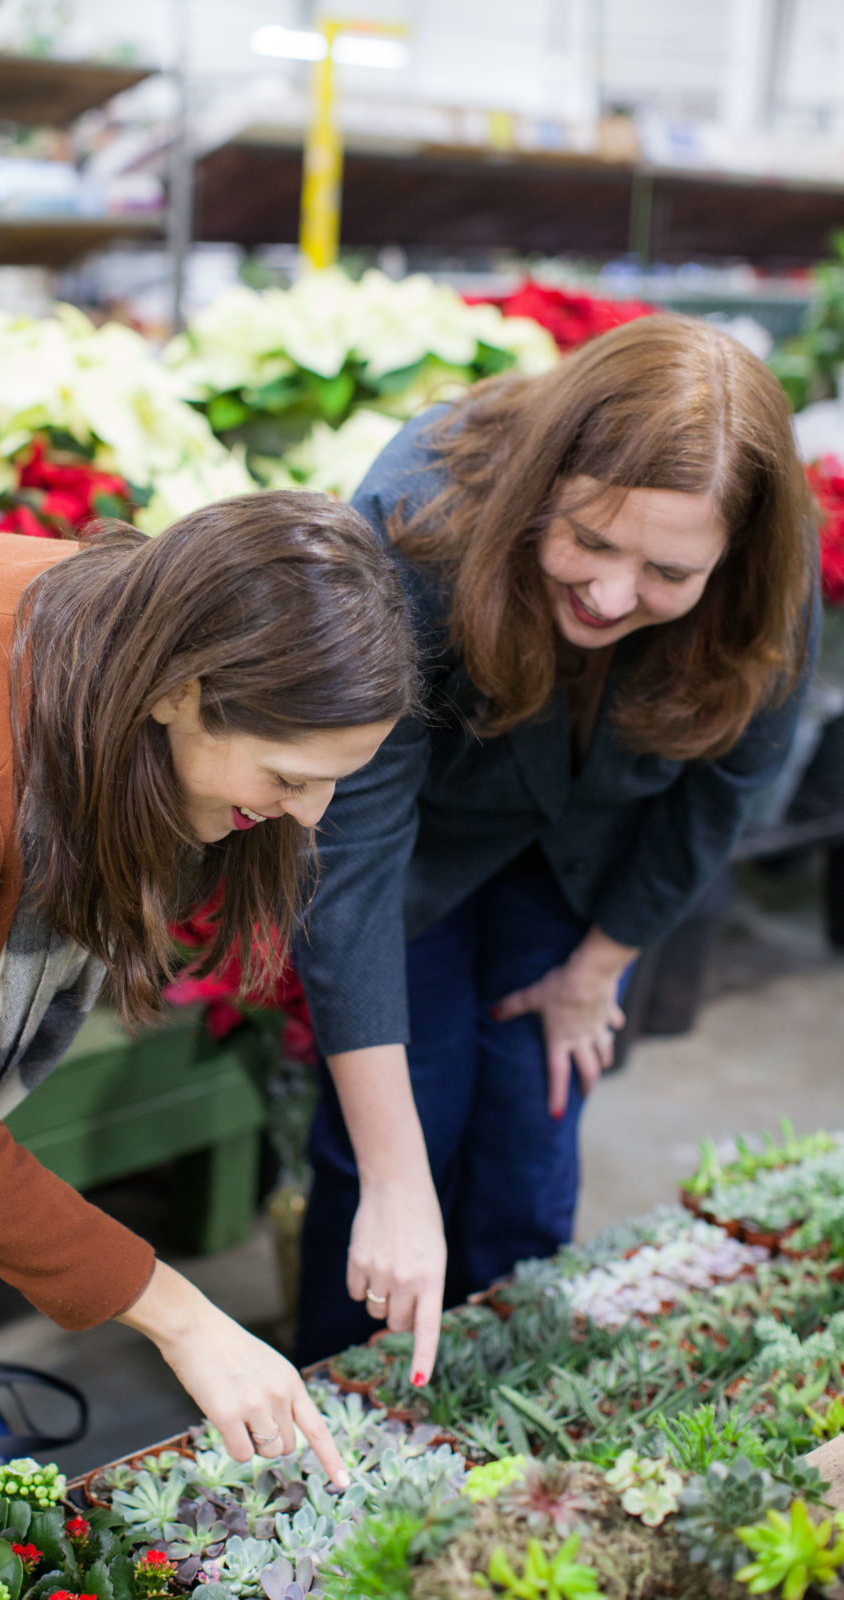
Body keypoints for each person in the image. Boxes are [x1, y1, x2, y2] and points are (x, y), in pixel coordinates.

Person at [0, 490, 418, 1538]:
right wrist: (183, 1317)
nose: (309, 816)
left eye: (334, 781)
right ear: (182, 690)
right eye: (290, 776)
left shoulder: (116, 633)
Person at [292, 314, 820, 1381]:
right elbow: (349, 853)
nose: (614, 595)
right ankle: (340, 1413)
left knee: (529, 1146)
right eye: (588, 540)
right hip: (416, 861)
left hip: (583, 858)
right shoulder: (415, 518)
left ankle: (507, 1409)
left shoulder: (764, 583)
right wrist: (396, 1184)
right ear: (542, 481)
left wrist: (598, 967)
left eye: (668, 572)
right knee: (395, 1144)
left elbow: (718, 797)